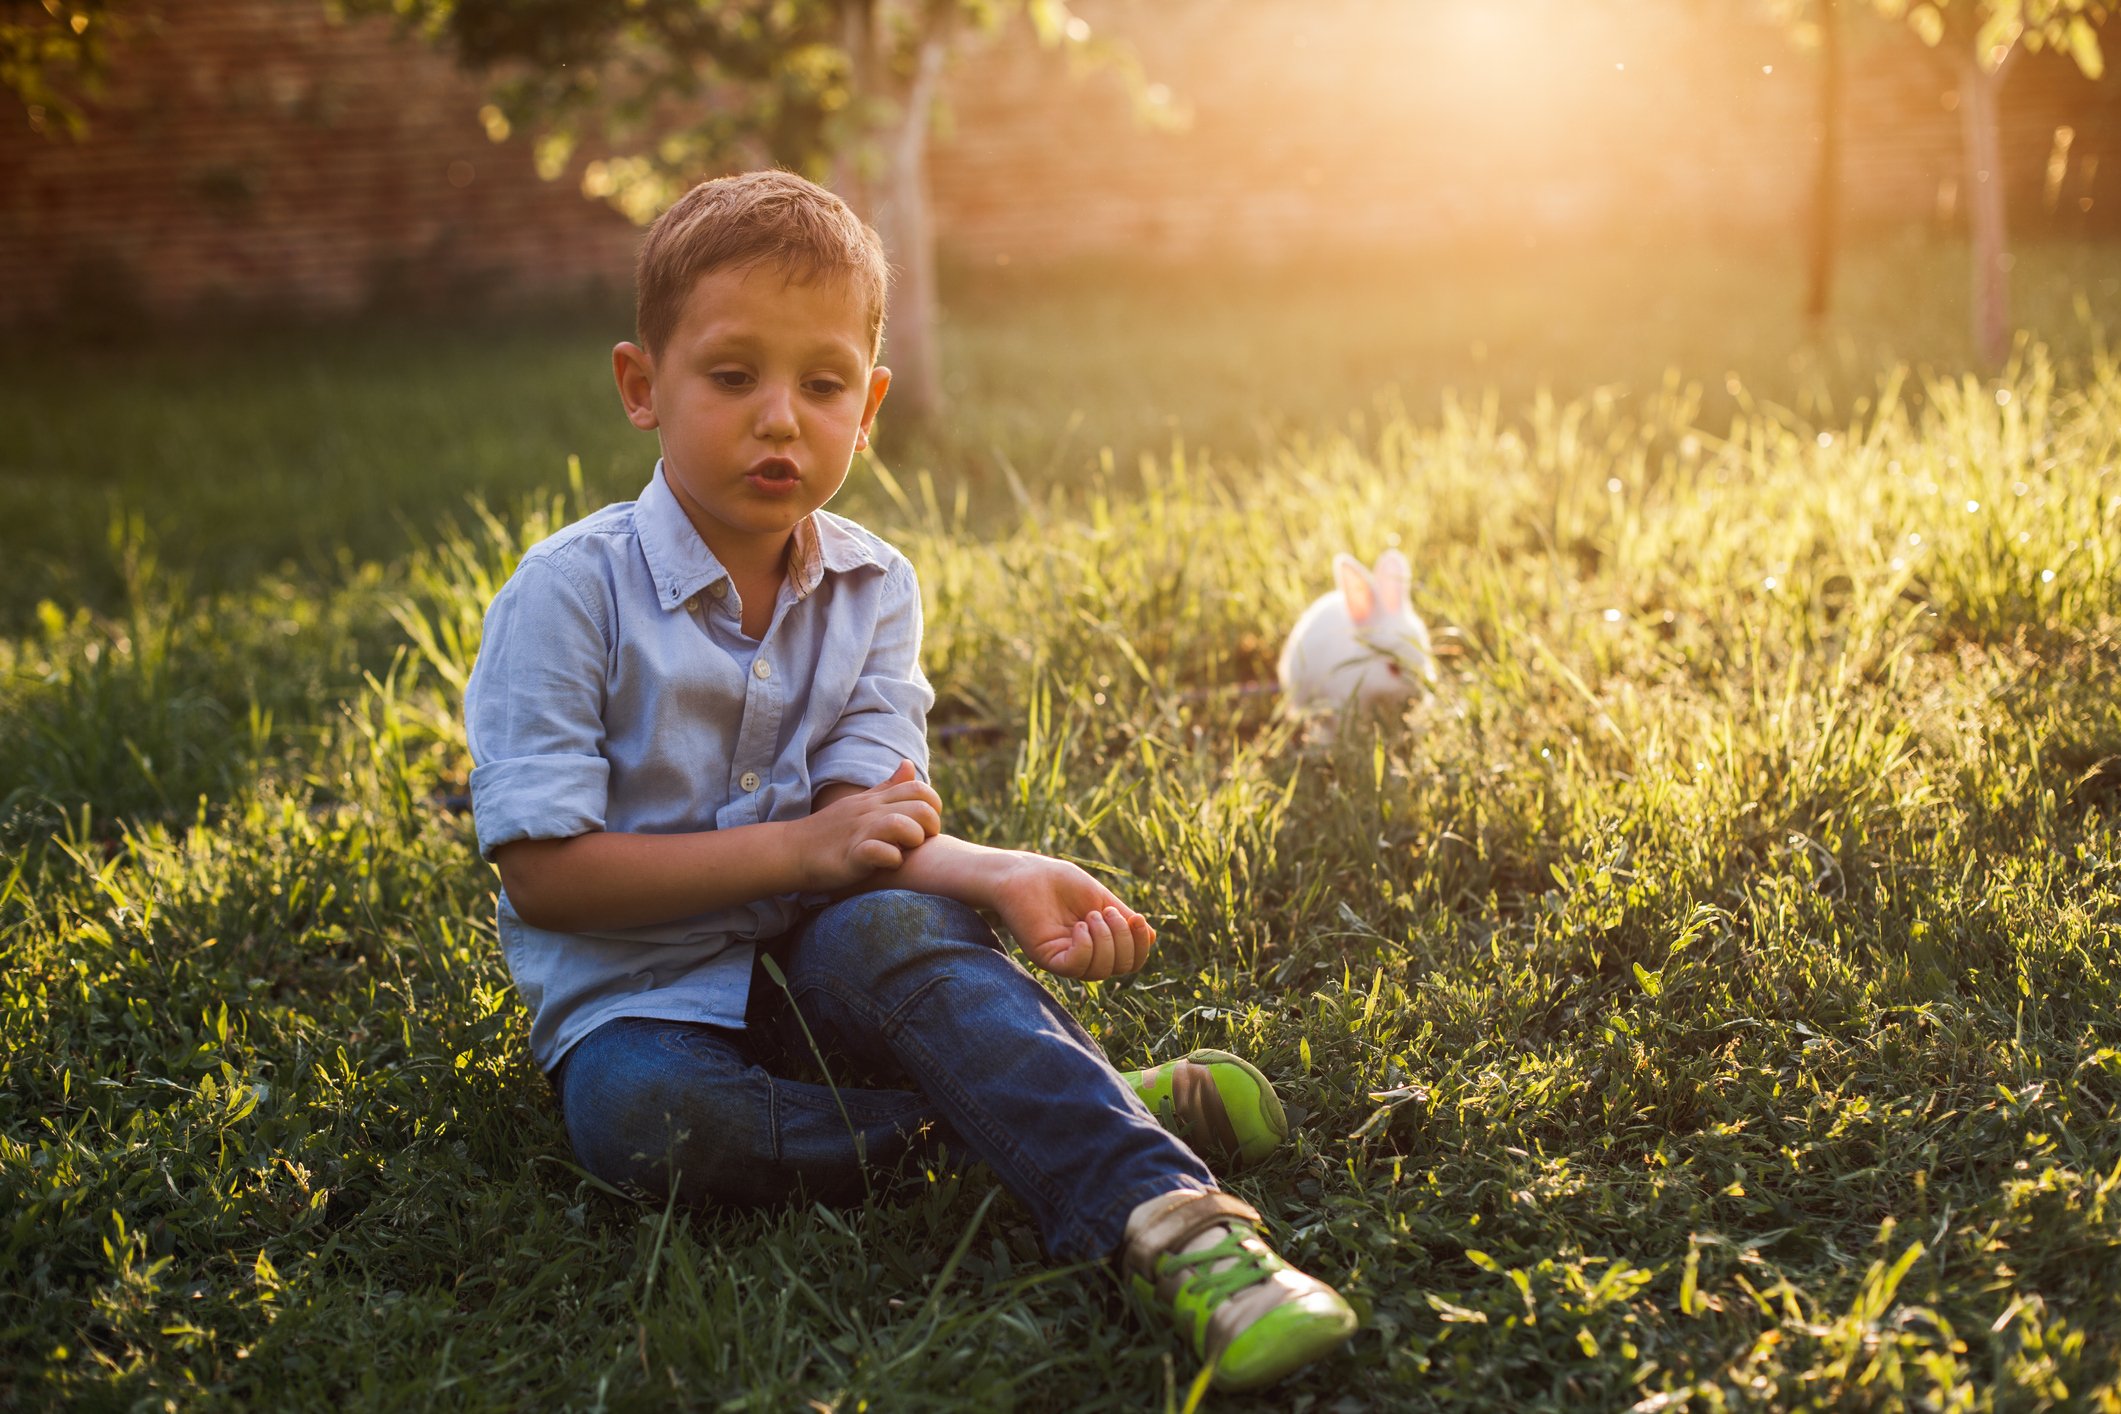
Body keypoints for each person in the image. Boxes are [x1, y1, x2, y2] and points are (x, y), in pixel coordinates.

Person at [462, 169, 1357, 1392]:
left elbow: (865, 834)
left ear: (868, 405)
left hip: (826, 953)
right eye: (733, 377)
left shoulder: (873, 585)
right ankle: (1059, 1104)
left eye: (822, 385)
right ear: (641, 386)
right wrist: (802, 856)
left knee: (897, 927)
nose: (781, 418)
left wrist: (1001, 871)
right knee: (642, 1120)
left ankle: (1179, 1225)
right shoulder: (569, 596)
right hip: (645, 1003)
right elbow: (548, 876)